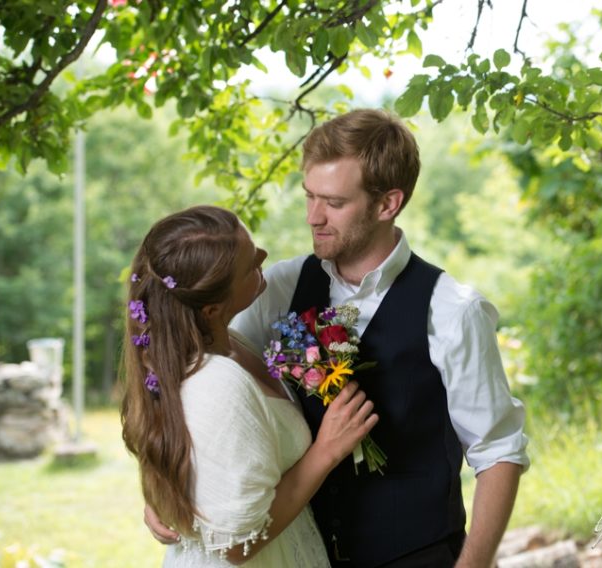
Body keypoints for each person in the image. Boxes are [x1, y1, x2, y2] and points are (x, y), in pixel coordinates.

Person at [146, 110, 529, 567]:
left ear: (388, 204)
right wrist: (160, 486)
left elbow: (499, 452)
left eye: (333, 202)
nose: (313, 217)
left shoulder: (452, 310)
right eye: (309, 196)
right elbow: (191, 378)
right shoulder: (278, 288)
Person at [121, 205, 378, 567]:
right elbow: (236, 546)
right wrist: (327, 451)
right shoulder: (214, 382)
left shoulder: (234, 341)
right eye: (250, 264)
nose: (265, 256)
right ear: (211, 308)